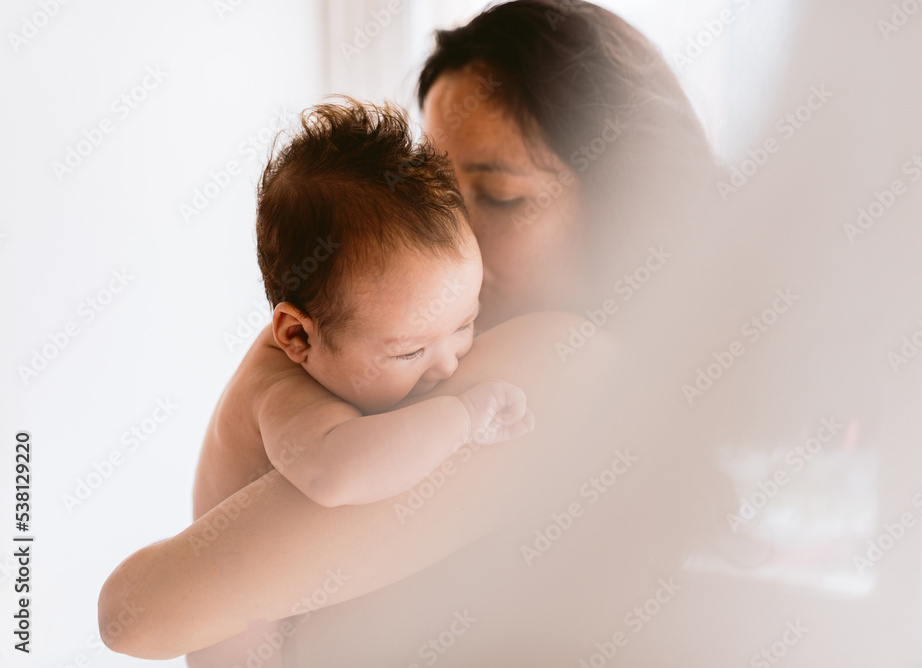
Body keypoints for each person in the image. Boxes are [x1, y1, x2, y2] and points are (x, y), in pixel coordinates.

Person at [98, 1, 722, 662]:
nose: (447, 248)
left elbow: (140, 612)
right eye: (433, 198)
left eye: (502, 197)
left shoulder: (561, 364)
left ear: (625, 205)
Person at [192, 99, 533, 521]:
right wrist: (463, 419)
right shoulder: (282, 390)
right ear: (298, 336)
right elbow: (334, 475)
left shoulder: (352, 339)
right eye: (409, 352)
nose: (447, 365)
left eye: (465, 324)